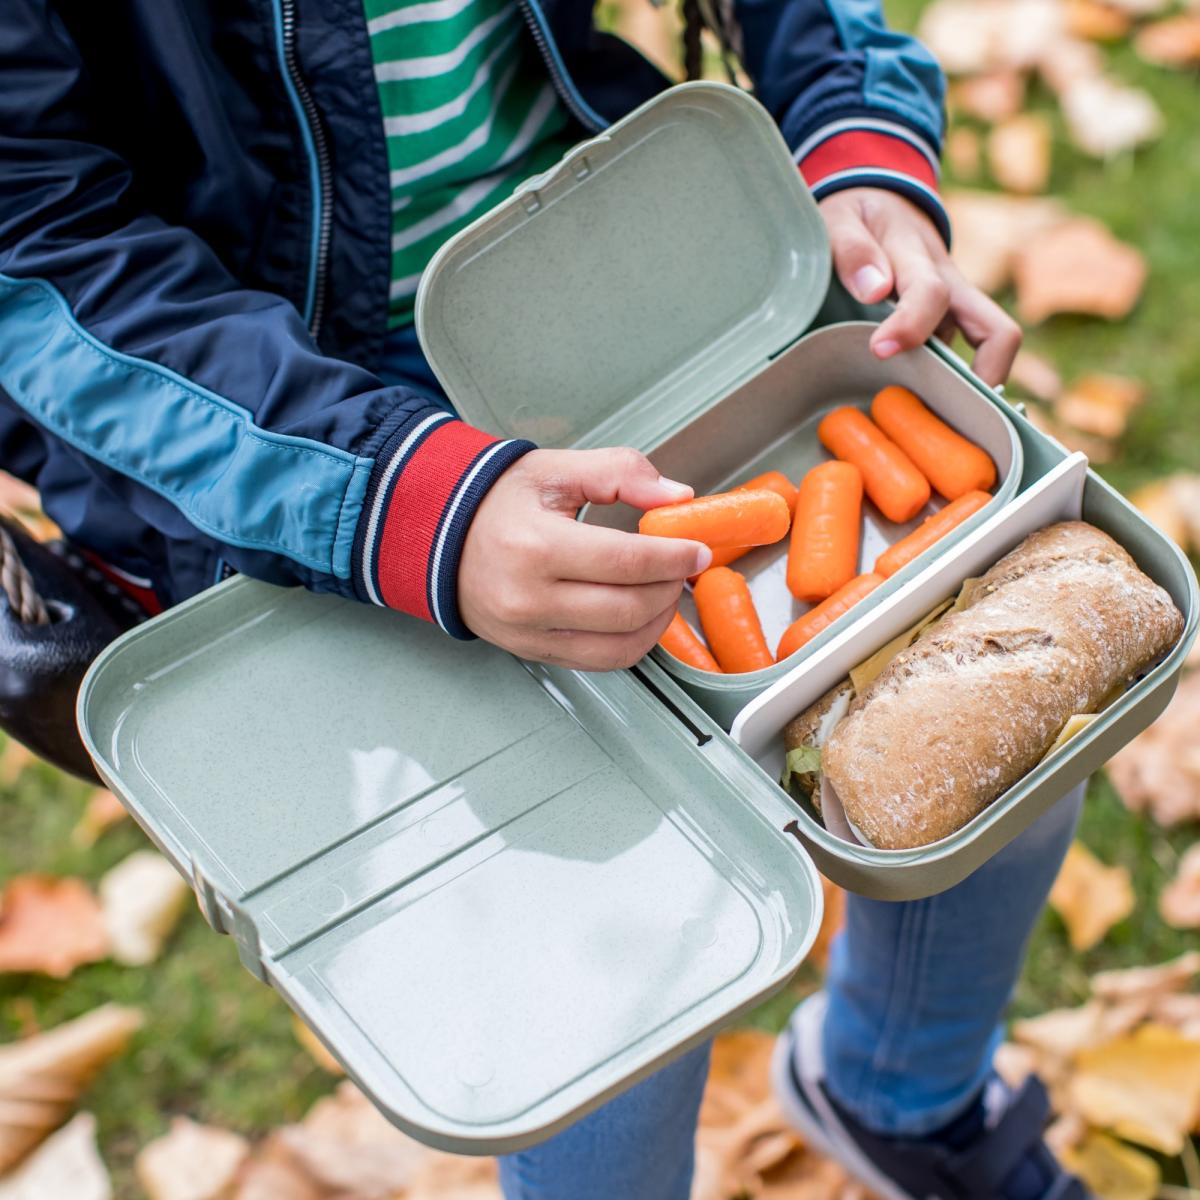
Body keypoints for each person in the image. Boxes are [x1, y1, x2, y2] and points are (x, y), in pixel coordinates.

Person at [0, 1, 1085, 1197]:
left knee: (1010, 752)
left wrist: (855, 124)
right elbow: (30, 241)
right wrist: (395, 496)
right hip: (289, 450)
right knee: (612, 997)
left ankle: (901, 1100)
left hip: (651, 295)